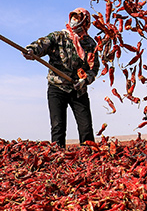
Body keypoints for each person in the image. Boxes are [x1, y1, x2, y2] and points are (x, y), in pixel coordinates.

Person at [24, 8, 99, 148]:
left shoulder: (90, 44)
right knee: (58, 126)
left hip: (78, 90)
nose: (75, 21)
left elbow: (93, 68)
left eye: (79, 18)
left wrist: (85, 80)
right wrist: (32, 50)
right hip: (57, 87)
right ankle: (58, 158)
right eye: (74, 17)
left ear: (85, 22)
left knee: (86, 127)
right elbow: (43, 44)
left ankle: (89, 156)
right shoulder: (58, 36)